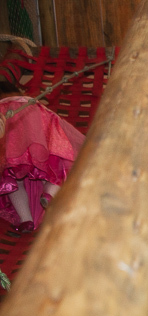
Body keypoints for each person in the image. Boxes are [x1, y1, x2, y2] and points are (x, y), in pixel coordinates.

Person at [0, 81, 85, 233]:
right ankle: (49, 193)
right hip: (37, 141)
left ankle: (26, 220)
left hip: (13, 147)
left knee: (14, 180)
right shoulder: (30, 102)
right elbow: (50, 122)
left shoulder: (2, 110)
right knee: (53, 167)